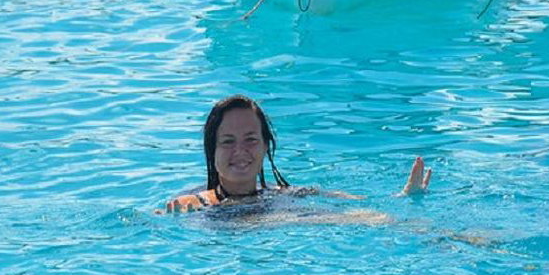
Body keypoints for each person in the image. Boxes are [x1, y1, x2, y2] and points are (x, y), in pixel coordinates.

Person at [163, 95, 431, 213]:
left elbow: (360, 203)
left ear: (265, 146)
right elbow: (171, 211)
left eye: (251, 139)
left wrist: (404, 197)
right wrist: (182, 211)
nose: (240, 151)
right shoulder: (197, 204)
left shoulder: (285, 194)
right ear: (212, 149)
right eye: (228, 141)